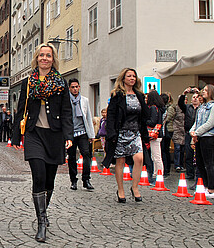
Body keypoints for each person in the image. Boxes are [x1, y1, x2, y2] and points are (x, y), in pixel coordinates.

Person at [11, 43, 73, 242]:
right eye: (41, 55)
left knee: (49, 180)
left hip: (54, 135)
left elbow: (66, 111)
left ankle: (43, 211)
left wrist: (69, 136)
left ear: (53, 59)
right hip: (33, 133)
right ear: (36, 58)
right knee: (38, 175)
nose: (44, 58)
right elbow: (21, 108)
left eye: (48, 55)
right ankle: (41, 221)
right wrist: (14, 136)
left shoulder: (61, 83)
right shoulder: (28, 81)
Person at [102, 68, 149, 203]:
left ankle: (135, 187)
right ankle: (120, 189)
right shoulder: (117, 95)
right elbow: (111, 115)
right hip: (121, 133)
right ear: (123, 79)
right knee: (120, 161)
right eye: (129, 76)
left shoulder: (139, 95)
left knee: (139, 158)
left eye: (134, 76)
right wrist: (111, 133)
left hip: (135, 132)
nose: (132, 78)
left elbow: (144, 115)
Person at [190, 84, 214, 199]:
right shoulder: (202, 106)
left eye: (205, 90)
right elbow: (197, 121)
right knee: (200, 163)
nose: (203, 92)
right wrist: (192, 131)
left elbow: (210, 123)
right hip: (199, 137)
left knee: (209, 163)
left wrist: (197, 132)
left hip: (208, 137)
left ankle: (210, 188)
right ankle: (203, 185)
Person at [67, 78, 96, 190]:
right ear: (69, 88)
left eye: (76, 87)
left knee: (87, 154)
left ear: (79, 87)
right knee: (72, 157)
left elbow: (88, 117)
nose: (75, 89)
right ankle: (73, 180)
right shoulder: (66, 101)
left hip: (83, 132)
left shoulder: (84, 100)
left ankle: (86, 179)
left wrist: (91, 135)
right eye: (73, 87)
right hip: (71, 133)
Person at [178, 87, 201, 180]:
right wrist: (184, 94)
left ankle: (199, 174)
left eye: (197, 97)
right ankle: (190, 174)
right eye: (193, 97)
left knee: (199, 155)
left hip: (199, 134)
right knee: (188, 154)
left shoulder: (202, 108)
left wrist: (199, 93)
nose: (195, 98)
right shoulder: (188, 107)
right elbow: (180, 104)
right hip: (188, 133)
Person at [146, 90, 165, 177]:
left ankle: (158, 174)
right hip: (158, 133)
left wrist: (145, 121)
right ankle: (156, 173)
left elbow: (152, 121)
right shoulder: (159, 108)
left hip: (155, 134)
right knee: (156, 155)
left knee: (156, 156)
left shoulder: (153, 108)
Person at [161, 93, 174, 177]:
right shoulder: (164, 108)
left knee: (165, 151)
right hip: (165, 131)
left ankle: (166, 169)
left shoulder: (170, 108)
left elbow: (168, 118)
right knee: (164, 151)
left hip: (167, 131)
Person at [172, 97, 185, 172]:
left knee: (183, 149)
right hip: (177, 130)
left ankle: (181, 164)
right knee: (177, 148)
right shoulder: (176, 109)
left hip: (184, 131)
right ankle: (177, 165)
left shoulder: (187, 108)